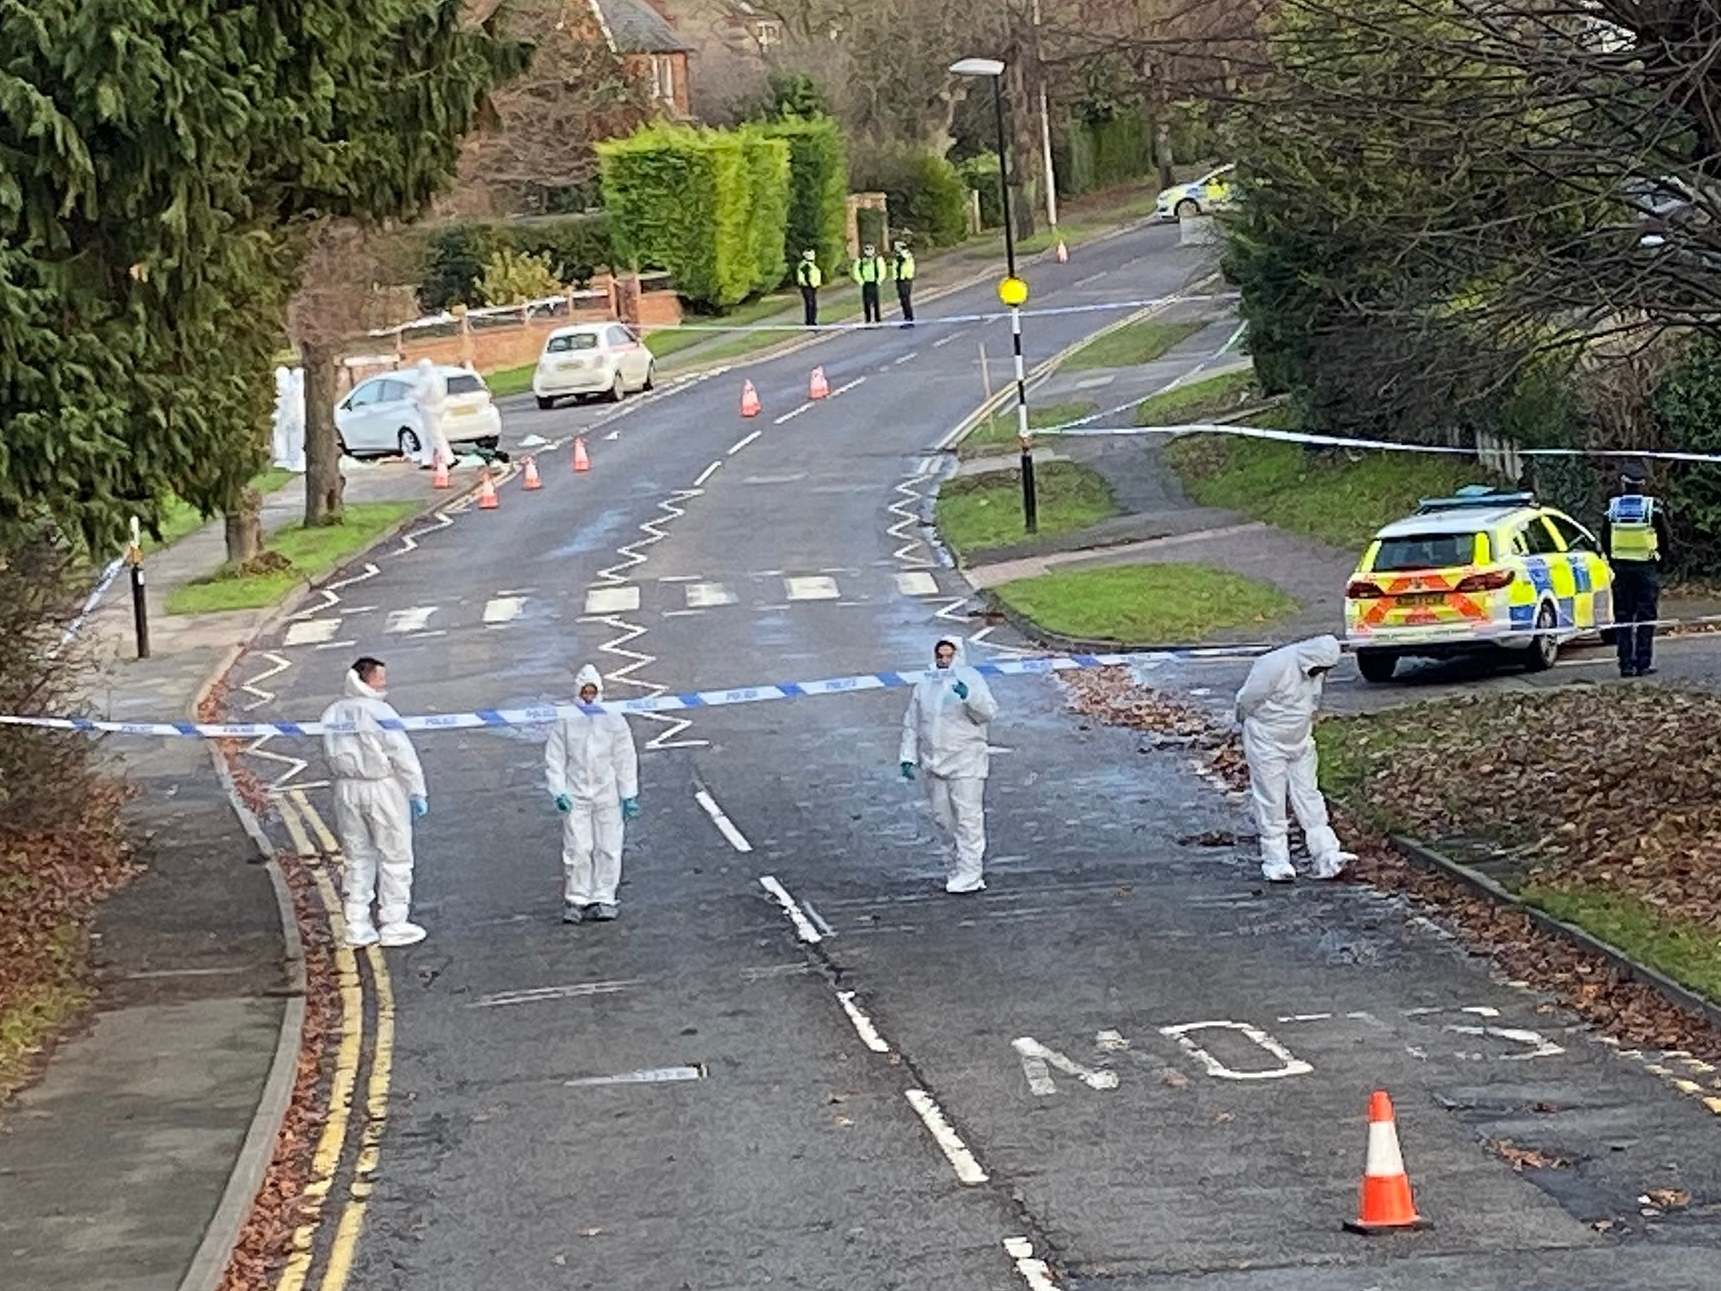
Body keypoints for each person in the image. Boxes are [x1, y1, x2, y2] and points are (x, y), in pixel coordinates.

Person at [321, 657, 429, 948]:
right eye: (380, 678)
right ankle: (394, 923)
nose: (385, 683)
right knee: (395, 855)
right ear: (365, 680)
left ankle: (356, 924)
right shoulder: (380, 711)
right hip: (382, 787)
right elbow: (401, 754)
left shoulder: (332, 713)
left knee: (357, 857)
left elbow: (327, 751)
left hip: (346, 789)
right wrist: (417, 791)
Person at [1235, 635, 1353, 884]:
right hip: (1266, 741)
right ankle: (1275, 860)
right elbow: (1246, 700)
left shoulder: (1313, 669)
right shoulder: (1273, 664)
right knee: (1272, 799)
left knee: (1309, 794)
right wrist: (1252, 724)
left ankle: (1326, 853)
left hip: (1300, 741)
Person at [899, 638, 999, 894]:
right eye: (940, 656)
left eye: (949, 656)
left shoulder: (972, 679)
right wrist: (908, 756)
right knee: (944, 819)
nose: (944, 661)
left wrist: (970, 697)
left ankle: (971, 873)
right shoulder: (925, 684)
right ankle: (954, 867)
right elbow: (913, 721)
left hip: (967, 760)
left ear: (958, 656)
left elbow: (987, 713)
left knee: (968, 819)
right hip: (934, 762)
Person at [545, 664, 640, 924]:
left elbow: (625, 758)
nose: (588, 696)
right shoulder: (566, 720)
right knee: (578, 848)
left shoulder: (613, 719)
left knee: (608, 846)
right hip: (576, 794)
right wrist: (558, 791)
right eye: (584, 692)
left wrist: (628, 793)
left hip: (607, 793)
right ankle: (576, 898)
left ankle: (604, 897)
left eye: (592, 691)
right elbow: (555, 758)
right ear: (578, 692)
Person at [1601, 459, 1672, 677]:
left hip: (1621, 570)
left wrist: (1613, 561)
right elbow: (1664, 538)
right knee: (1646, 618)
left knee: (1623, 618)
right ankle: (1643, 662)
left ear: (1623, 483)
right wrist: (1661, 562)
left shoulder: (1612, 508)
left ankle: (1625, 664)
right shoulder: (1652, 508)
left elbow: (1605, 538)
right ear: (1642, 483)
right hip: (1646, 570)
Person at [410, 357, 452, 470]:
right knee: (428, 436)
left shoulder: (425, 380)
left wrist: (410, 394)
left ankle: (448, 459)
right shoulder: (438, 377)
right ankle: (426, 460)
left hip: (429, 410)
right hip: (440, 407)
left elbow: (419, 394)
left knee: (436, 435)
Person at [853, 243, 888, 325]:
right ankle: (868, 320)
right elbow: (856, 271)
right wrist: (860, 281)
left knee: (876, 302)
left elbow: (882, 270)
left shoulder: (877, 259)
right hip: (865, 283)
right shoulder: (861, 260)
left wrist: (879, 280)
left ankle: (878, 319)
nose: (869, 251)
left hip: (874, 282)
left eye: (870, 249)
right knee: (866, 302)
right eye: (867, 249)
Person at [795, 249, 823, 327]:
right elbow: (802, 277)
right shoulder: (805, 265)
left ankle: (812, 320)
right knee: (810, 304)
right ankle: (810, 321)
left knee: (813, 304)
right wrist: (806, 284)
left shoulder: (811, 265)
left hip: (813, 287)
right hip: (807, 287)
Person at [891, 240, 917, 326]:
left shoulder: (905, 255)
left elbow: (904, 263)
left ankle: (909, 318)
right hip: (900, 280)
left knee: (905, 299)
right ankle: (907, 317)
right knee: (903, 300)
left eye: (896, 247)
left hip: (905, 280)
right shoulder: (899, 256)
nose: (895, 248)